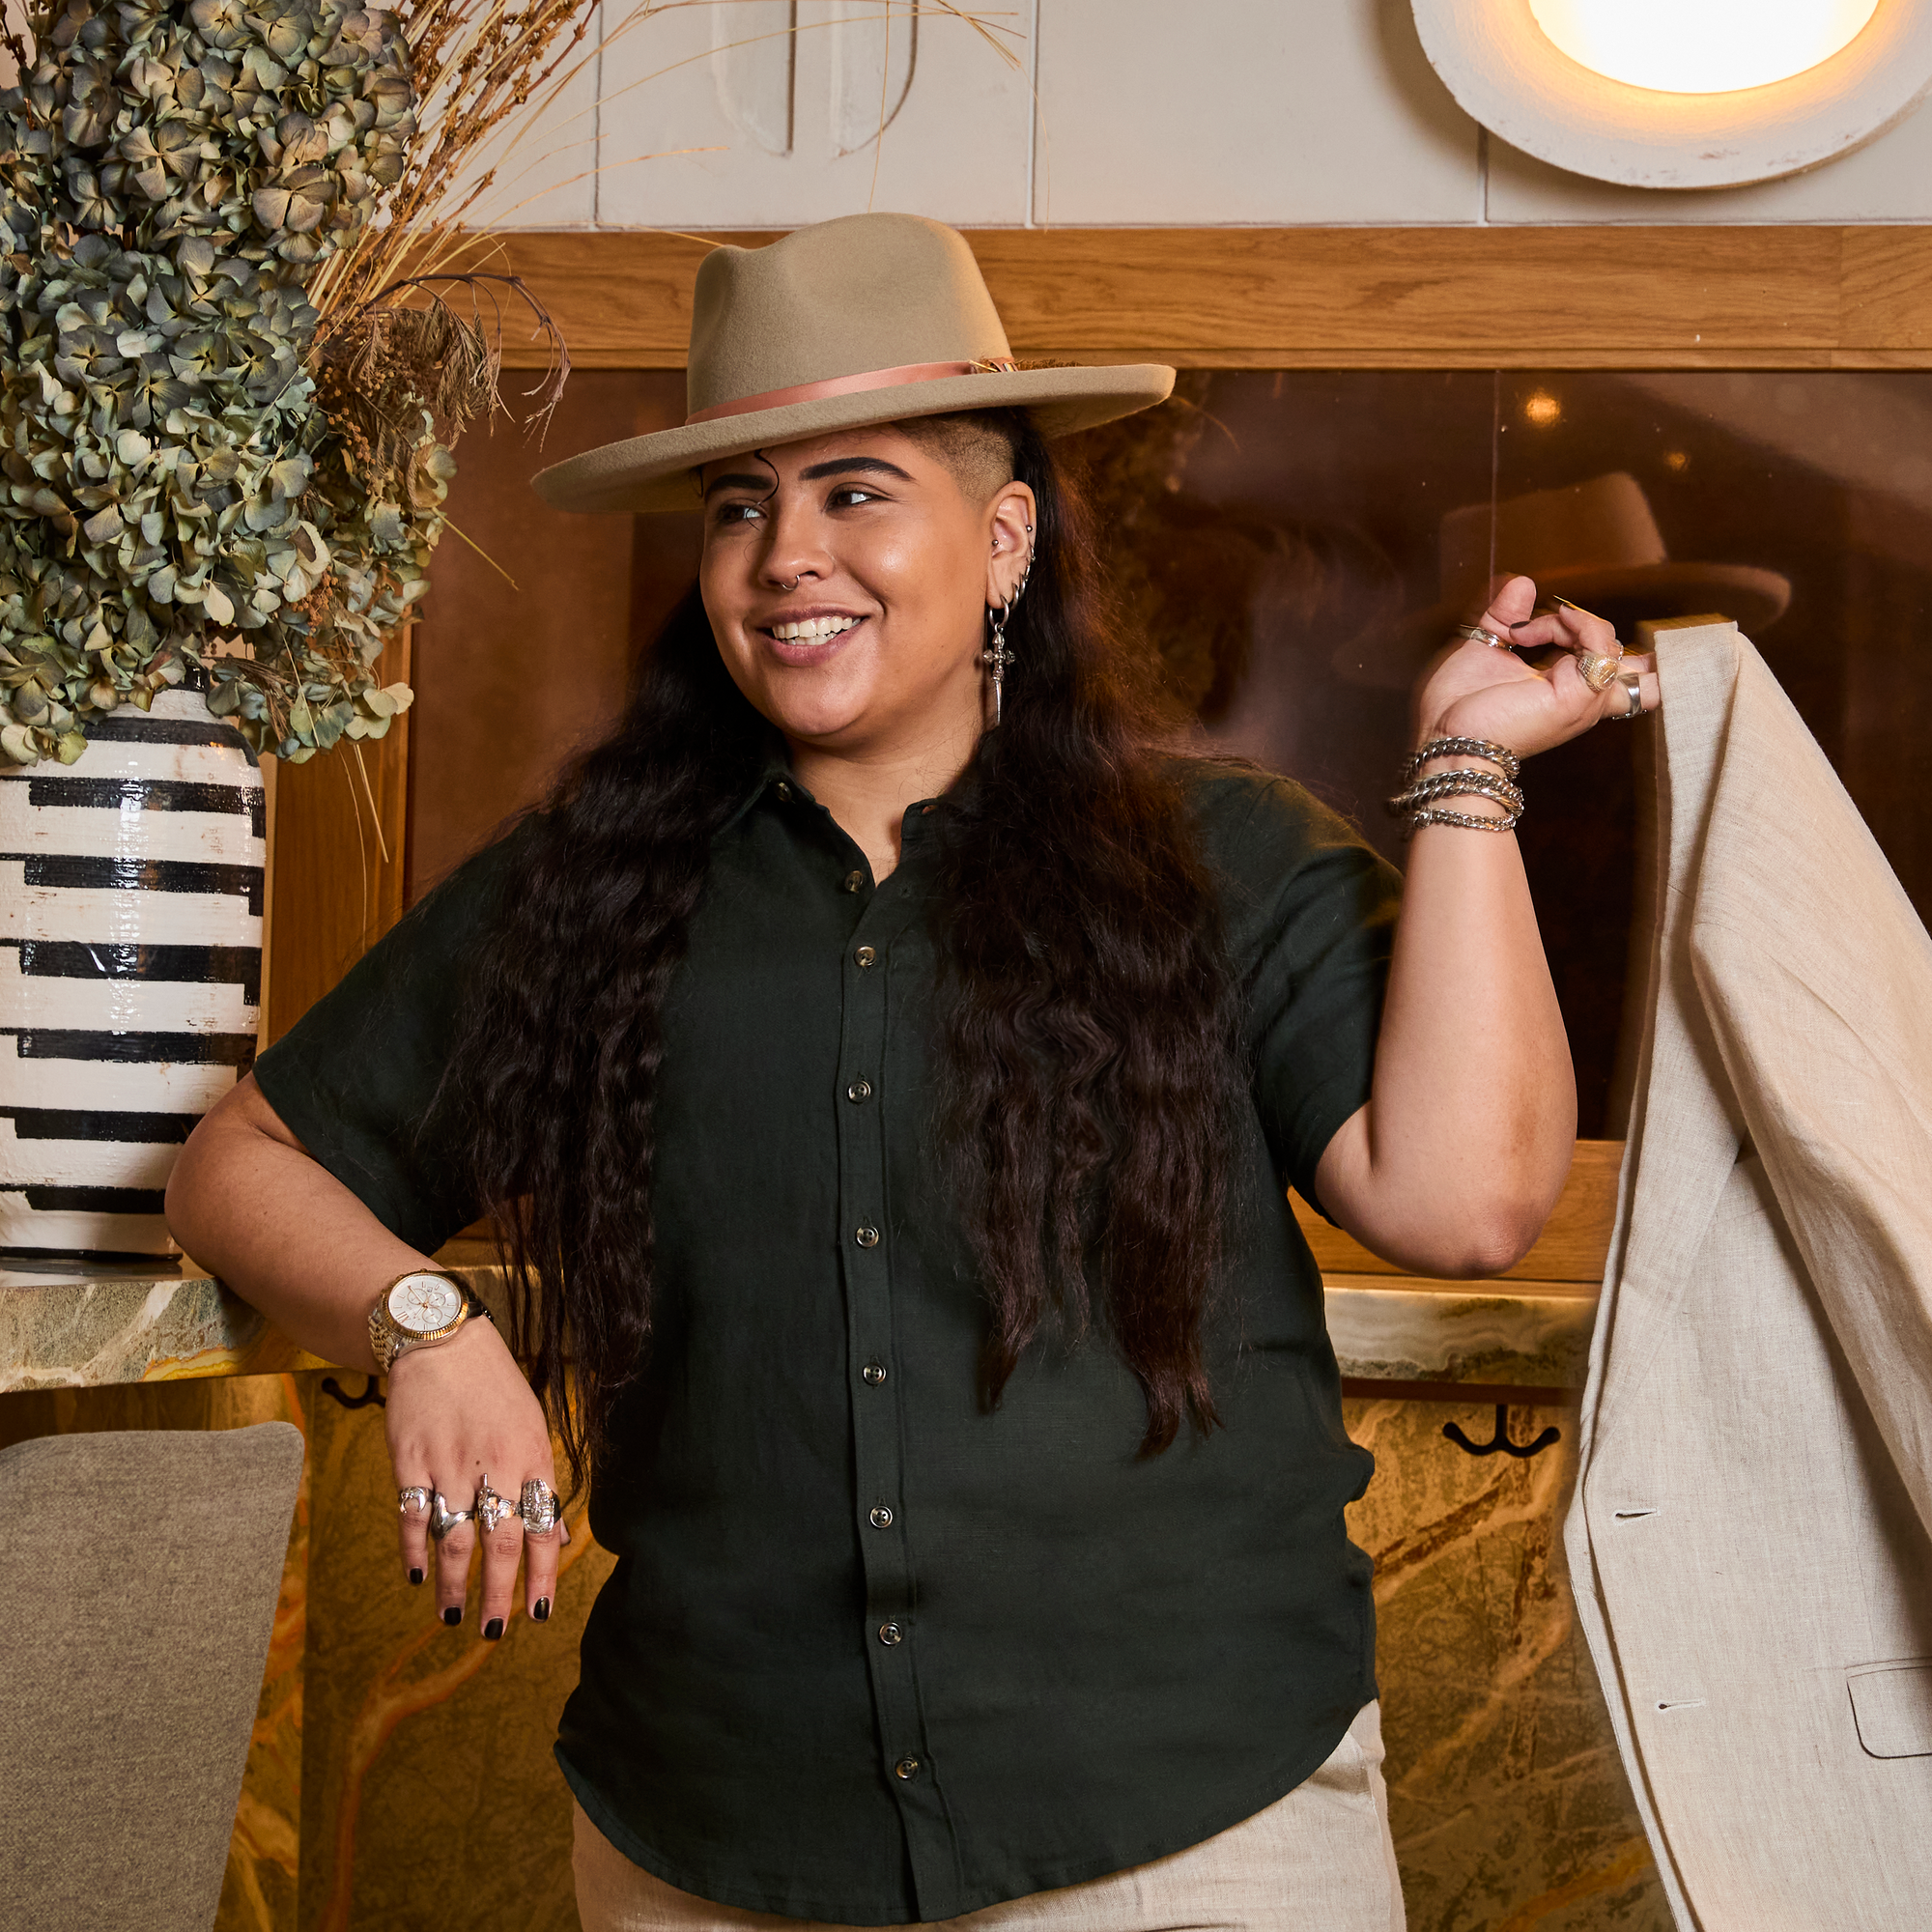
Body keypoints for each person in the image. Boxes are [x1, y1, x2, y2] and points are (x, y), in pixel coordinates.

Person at [166, 213, 1658, 1932]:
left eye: (857, 490)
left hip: (1190, 1831)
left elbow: (1467, 1204)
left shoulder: (1227, 859)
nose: (788, 553)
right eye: (742, 505)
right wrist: (427, 1325)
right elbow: (241, 1161)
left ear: (1005, 533)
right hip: (717, 1838)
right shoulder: (581, 890)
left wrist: (1467, 763)